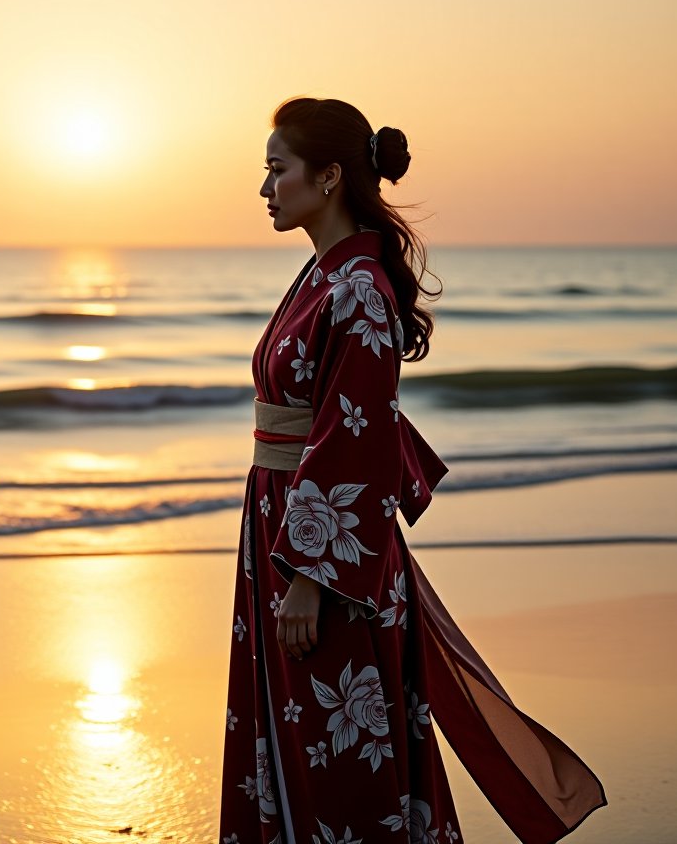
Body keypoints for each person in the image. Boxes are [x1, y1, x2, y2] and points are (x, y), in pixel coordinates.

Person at [220, 99, 605, 844]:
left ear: (329, 177)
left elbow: (352, 438)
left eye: (277, 170)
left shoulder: (358, 288)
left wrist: (311, 575)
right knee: (297, 732)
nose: (264, 188)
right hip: (289, 528)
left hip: (325, 558)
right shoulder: (325, 272)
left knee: (339, 753)